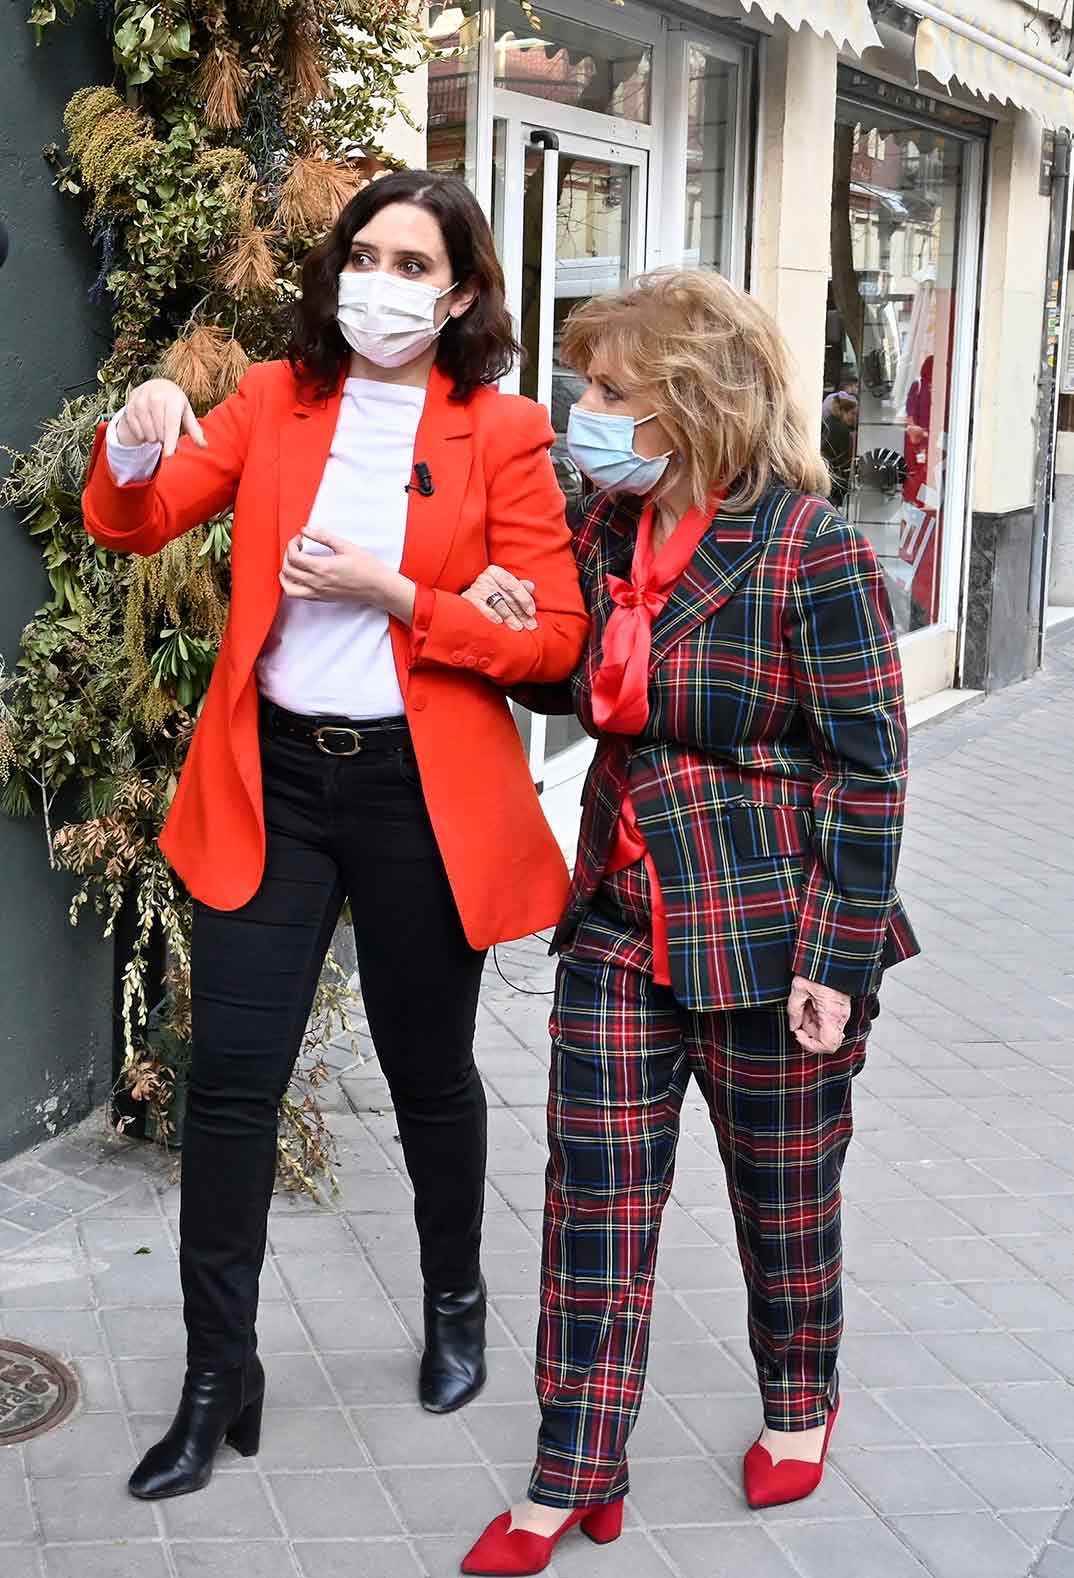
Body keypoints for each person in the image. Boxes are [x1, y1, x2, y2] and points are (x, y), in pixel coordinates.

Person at [81, 169, 589, 1501]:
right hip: (278, 783)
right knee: (232, 1081)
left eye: (413, 264)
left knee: (430, 1073)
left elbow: (551, 644)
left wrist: (399, 591)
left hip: (423, 793)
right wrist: (135, 436)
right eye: (364, 254)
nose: (381, 282)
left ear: (462, 289)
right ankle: (215, 1376)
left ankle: (457, 1295)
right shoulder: (270, 400)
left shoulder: (507, 431)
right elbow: (135, 518)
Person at [457, 270, 919, 1574]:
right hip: (618, 903)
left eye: (610, 390)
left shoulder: (809, 547)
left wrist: (837, 961)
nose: (581, 410)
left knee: (782, 1196)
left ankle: (797, 1395)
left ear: (694, 403)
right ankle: (572, 1468)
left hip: (772, 924)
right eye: (583, 384)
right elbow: (580, 670)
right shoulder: (601, 516)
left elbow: (868, 765)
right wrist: (511, 623)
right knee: (593, 1197)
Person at [821, 393, 857, 509]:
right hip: (834, 482)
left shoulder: (828, 422)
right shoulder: (842, 431)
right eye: (852, 413)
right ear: (842, 412)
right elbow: (842, 463)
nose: (854, 418)